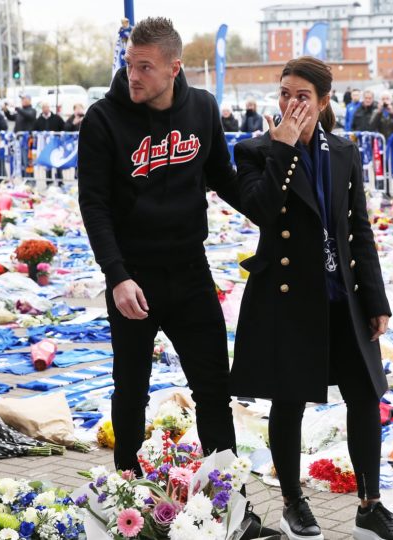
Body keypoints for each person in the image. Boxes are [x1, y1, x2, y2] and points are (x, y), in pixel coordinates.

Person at [231, 55, 393, 540]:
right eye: (285, 94)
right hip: (287, 294)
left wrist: (376, 300)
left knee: (365, 395)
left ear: (324, 101)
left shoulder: (344, 151)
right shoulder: (256, 150)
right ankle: (293, 502)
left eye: (302, 96)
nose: (291, 104)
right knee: (289, 400)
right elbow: (261, 209)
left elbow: (358, 229)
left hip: (341, 294)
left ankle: (370, 506)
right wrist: (283, 149)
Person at [77, 16, 239, 476]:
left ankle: (226, 493)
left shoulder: (202, 108)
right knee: (131, 389)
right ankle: (126, 486)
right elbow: (94, 204)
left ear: (174, 68)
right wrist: (116, 276)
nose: (133, 75)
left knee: (214, 388)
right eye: (130, 63)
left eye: (145, 66)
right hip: (134, 276)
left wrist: (278, 211)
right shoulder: (103, 119)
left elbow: (224, 179)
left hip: (190, 271)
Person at [6, 94, 38, 178]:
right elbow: (11, 117)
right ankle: (24, 178)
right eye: (22, 99)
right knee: (21, 161)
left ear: (29, 100)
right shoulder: (20, 112)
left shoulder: (32, 111)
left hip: (27, 140)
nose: (23, 101)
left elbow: (28, 116)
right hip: (18, 139)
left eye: (24, 99)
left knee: (28, 160)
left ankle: (30, 179)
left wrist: (17, 108)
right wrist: (6, 110)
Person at [34, 102, 66, 183]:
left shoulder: (56, 118)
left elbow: (64, 127)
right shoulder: (39, 120)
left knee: (57, 162)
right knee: (47, 163)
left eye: (47, 107)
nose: (45, 109)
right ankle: (48, 181)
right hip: (45, 145)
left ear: (49, 108)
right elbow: (35, 129)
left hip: (56, 144)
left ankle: (60, 181)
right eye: (44, 108)